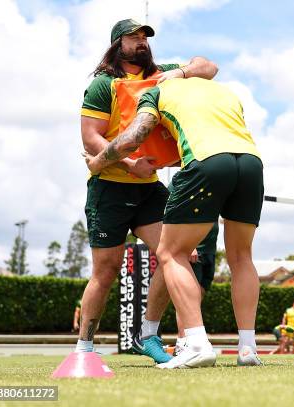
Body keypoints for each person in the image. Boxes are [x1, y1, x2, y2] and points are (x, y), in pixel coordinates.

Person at [84, 75, 264, 369]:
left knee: (171, 253)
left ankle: (195, 343)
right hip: (251, 163)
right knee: (242, 257)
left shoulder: (155, 92)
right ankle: (247, 349)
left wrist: (98, 162)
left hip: (207, 161)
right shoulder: (224, 91)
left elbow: (133, 137)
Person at [77, 18, 218, 364]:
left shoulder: (163, 74)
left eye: (144, 37)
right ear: (117, 44)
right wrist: (129, 165)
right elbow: (90, 138)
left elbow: (209, 67)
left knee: (179, 254)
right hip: (109, 187)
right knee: (105, 270)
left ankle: (148, 334)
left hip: (149, 190)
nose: (141, 42)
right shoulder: (103, 85)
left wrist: (182, 74)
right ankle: (84, 350)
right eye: (133, 37)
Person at [173, 222, 219, 356]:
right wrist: (189, 246)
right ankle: (182, 343)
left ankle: (191, 340)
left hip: (210, 251)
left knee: (199, 296)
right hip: (194, 251)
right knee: (187, 299)